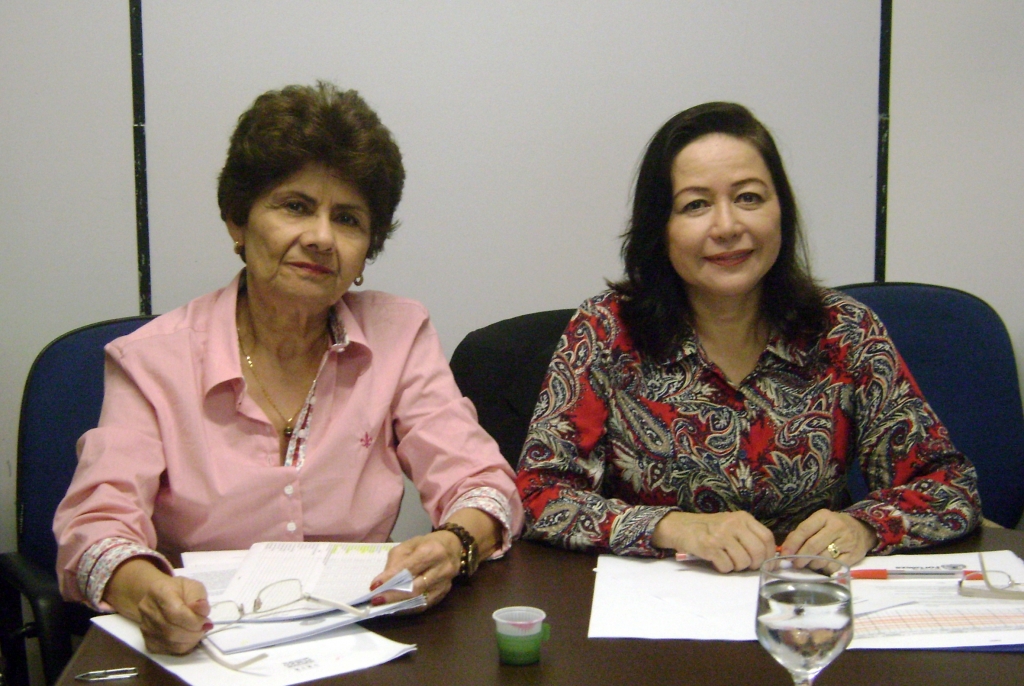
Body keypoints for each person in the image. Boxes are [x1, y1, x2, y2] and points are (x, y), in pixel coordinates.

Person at [54, 82, 523, 655]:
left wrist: (454, 545)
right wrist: (147, 591)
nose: (321, 238)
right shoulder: (152, 359)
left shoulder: (398, 334)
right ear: (238, 221)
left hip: (356, 639)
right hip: (203, 648)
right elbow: (95, 529)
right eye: (295, 206)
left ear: (367, 248)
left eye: (347, 219)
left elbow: (482, 482)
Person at [516, 102, 980, 573]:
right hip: (660, 601)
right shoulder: (606, 330)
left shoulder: (844, 331)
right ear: (661, 226)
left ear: (782, 211)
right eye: (695, 205)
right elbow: (540, 495)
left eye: (749, 198)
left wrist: (864, 528)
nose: (728, 227)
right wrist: (673, 527)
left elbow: (950, 487)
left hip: (802, 597)